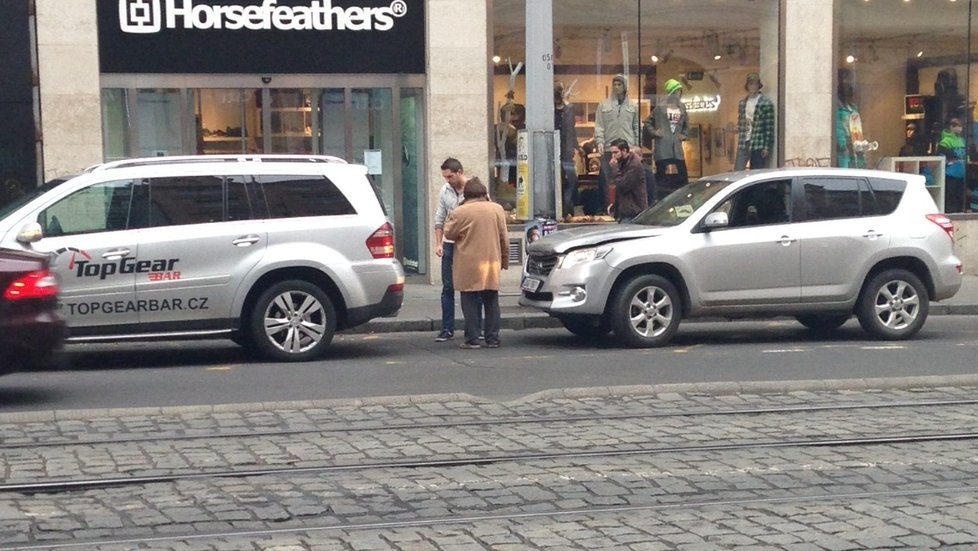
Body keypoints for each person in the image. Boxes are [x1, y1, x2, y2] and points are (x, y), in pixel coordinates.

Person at [443, 178, 509, 349]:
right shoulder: (497, 209)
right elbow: (504, 238)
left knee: (469, 300)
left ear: (466, 195)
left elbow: (449, 234)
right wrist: (505, 260)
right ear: (484, 193)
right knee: (491, 300)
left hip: (468, 262)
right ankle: (492, 338)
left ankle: (472, 338)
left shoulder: (460, 211)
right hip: (491, 261)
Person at [433, 157, 477, 342]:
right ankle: (447, 328)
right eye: (445, 177)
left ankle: (475, 328)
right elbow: (440, 218)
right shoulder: (445, 190)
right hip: (450, 243)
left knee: (474, 287)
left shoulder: (474, 189)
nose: (447, 180)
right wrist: (438, 243)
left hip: (469, 243)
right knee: (448, 286)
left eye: (450, 176)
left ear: (460, 172)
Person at [594, 74, 640, 213]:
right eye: (614, 84)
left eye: (619, 84)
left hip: (627, 150)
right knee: (607, 180)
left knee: (627, 180)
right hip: (609, 148)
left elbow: (636, 126)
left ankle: (625, 208)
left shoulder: (633, 106)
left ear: (625, 86)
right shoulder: (604, 105)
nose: (616, 87)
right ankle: (608, 209)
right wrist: (600, 141)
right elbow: (599, 125)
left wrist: (636, 145)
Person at [646, 78, 689, 195]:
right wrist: (655, 132)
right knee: (661, 178)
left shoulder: (682, 107)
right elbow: (648, 122)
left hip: (677, 148)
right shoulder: (660, 108)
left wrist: (684, 135)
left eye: (680, 91)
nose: (678, 94)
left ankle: (683, 196)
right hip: (663, 147)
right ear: (671, 93)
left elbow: (686, 124)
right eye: (676, 91)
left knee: (682, 176)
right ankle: (661, 198)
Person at [734, 73, 775, 171]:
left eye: (755, 84)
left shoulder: (766, 104)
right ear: (747, 86)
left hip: (758, 142)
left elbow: (769, 128)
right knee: (738, 170)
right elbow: (741, 120)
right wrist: (737, 127)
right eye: (750, 84)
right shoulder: (743, 103)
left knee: (756, 171)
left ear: (758, 85)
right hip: (744, 141)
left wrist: (766, 147)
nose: (752, 86)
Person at [555, 81, 581, 217]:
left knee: (572, 180)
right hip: (553, 153)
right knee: (556, 181)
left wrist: (577, 146)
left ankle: (567, 208)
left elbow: (571, 130)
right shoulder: (549, 110)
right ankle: (561, 209)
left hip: (567, 152)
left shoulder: (569, 110)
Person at [607, 139, 647, 224]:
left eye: (615, 152)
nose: (613, 156)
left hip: (634, 212)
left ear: (624, 151)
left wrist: (615, 169)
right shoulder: (621, 163)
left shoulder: (635, 166)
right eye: (612, 153)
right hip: (624, 211)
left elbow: (623, 186)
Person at [836, 69, 867, 169]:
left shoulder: (853, 109)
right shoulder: (838, 110)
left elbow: (857, 131)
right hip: (845, 150)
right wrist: (843, 144)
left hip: (855, 145)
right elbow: (838, 128)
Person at [938, 117, 967, 213]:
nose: (960, 128)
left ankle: (959, 212)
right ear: (951, 127)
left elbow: (965, 155)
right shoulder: (945, 141)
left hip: (961, 173)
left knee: (960, 196)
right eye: (957, 126)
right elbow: (941, 156)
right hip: (950, 173)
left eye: (960, 126)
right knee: (951, 196)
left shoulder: (962, 140)